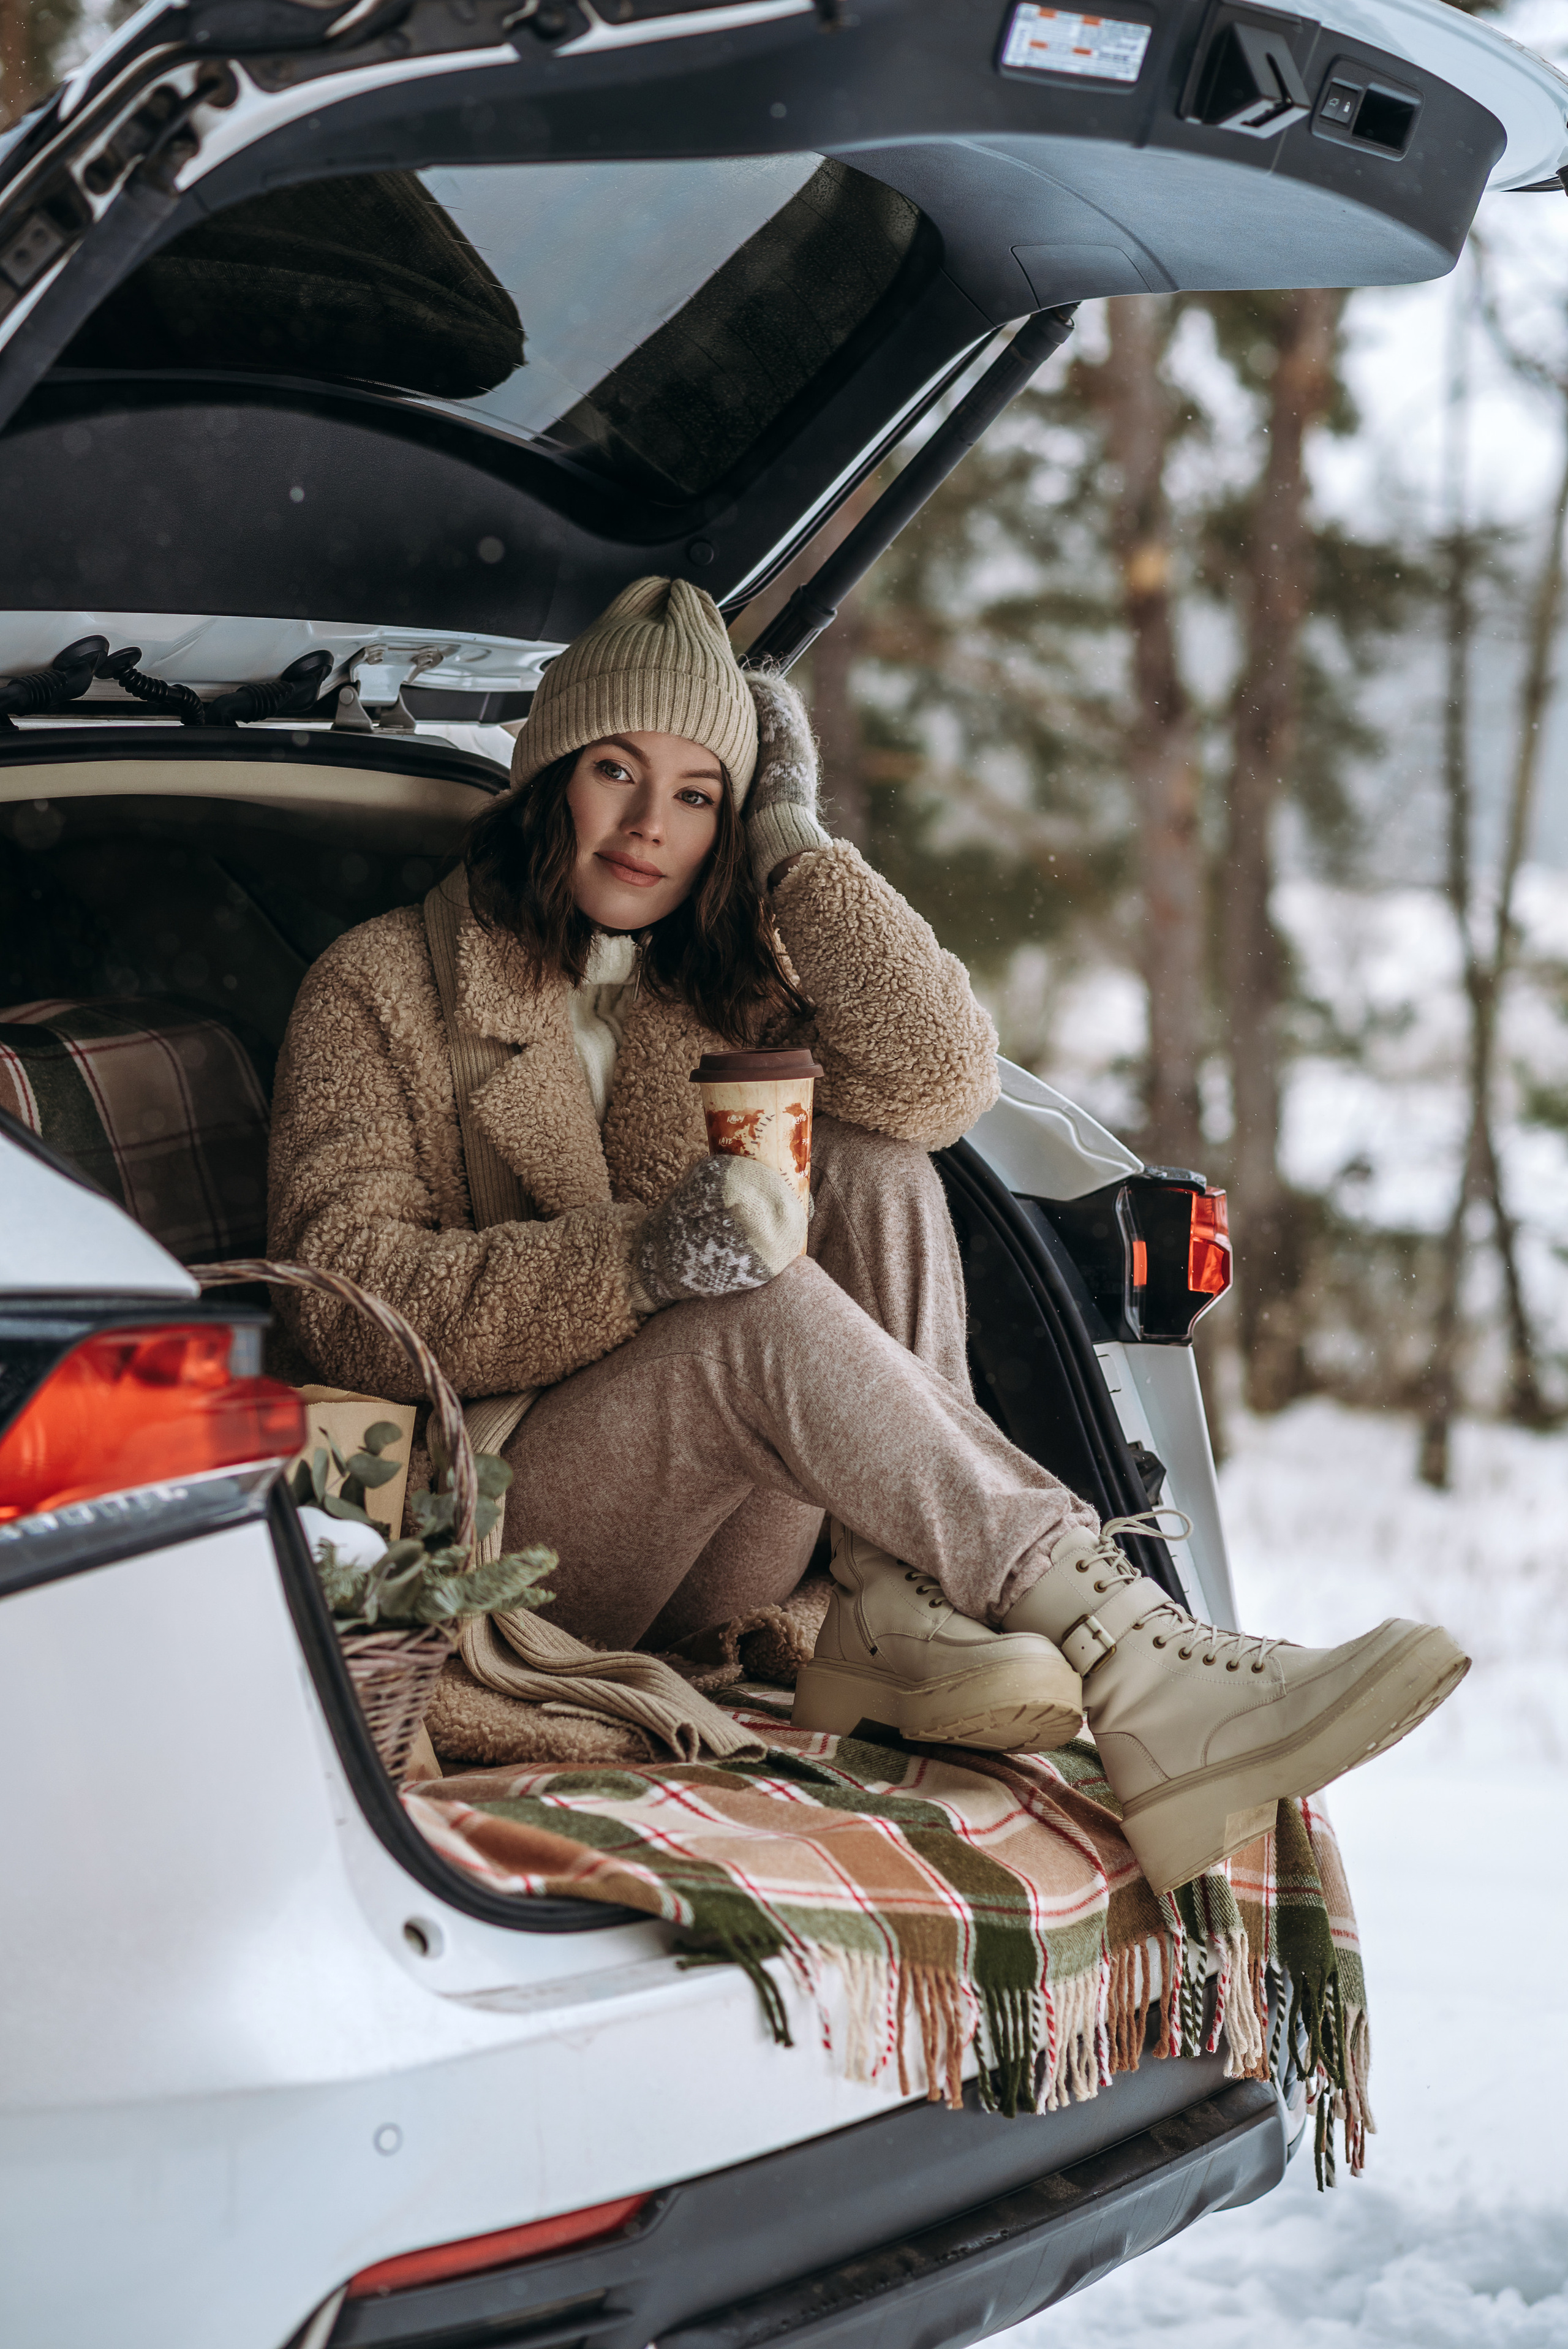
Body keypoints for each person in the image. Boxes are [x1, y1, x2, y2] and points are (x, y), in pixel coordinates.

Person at [268, 577, 1467, 1896]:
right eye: (613, 770)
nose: (646, 826)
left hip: (726, 1548)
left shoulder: (706, 980)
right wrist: (636, 1259)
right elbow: (340, 1296)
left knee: (875, 1159)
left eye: (696, 794)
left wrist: (790, 832)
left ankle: (911, 1604)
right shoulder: (378, 985)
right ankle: (1132, 1654)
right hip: (511, 1531)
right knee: (745, 1302)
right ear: (547, 772)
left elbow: (942, 1078)